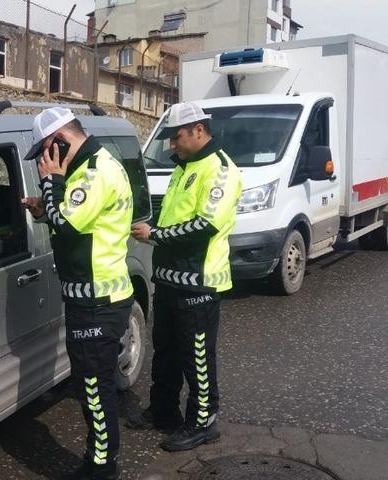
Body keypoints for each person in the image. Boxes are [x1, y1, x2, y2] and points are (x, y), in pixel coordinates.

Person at [21, 108, 133, 480]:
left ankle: (102, 468)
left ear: (59, 142)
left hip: (98, 301)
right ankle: (99, 461)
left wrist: (51, 183)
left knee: (95, 388)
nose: (42, 161)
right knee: (91, 385)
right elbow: (73, 221)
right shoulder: (87, 168)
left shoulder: (94, 172)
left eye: (44, 152)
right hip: (90, 297)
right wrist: (44, 209)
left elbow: (67, 224)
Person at [129, 102, 241, 452]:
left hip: (198, 282)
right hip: (168, 280)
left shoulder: (220, 169)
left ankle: (203, 423)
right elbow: (173, 216)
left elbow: (205, 225)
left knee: (197, 358)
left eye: (176, 137)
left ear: (198, 130)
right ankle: (163, 410)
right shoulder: (184, 166)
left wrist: (154, 234)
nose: (171, 144)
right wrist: (154, 228)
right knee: (166, 352)